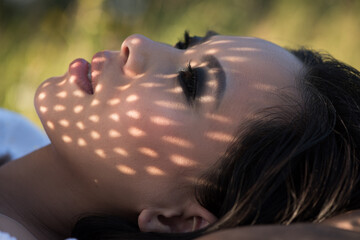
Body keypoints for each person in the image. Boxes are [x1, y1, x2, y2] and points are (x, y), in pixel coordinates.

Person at [0, 31, 359, 240]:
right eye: (187, 43)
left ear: (179, 220)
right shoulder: (14, 135)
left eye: (189, 84)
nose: (136, 43)